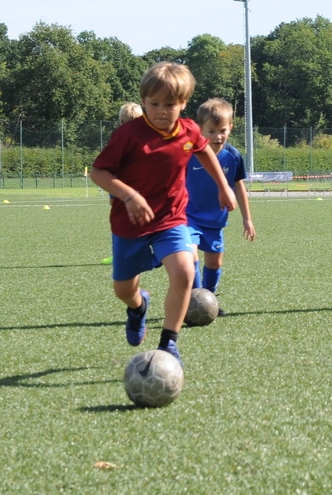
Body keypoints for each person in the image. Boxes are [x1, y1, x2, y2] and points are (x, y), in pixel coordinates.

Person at [90, 62, 236, 364]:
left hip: (172, 218)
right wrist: (129, 195)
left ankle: (169, 342)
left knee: (184, 270)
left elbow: (204, 151)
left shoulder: (189, 130)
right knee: (124, 290)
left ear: (183, 104)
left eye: (169, 105)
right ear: (143, 100)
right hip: (130, 223)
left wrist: (224, 186)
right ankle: (138, 306)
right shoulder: (128, 135)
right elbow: (98, 172)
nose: (160, 111)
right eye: (153, 103)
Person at [185, 98, 256, 312]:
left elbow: (239, 186)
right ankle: (194, 300)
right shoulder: (189, 153)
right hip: (188, 217)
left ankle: (208, 300)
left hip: (215, 221)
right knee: (190, 256)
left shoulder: (233, 156)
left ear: (230, 128)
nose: (218, 136)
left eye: (222, 131)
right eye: (212, 131)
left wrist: (247, 219)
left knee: (215, 264)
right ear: (200, 129)